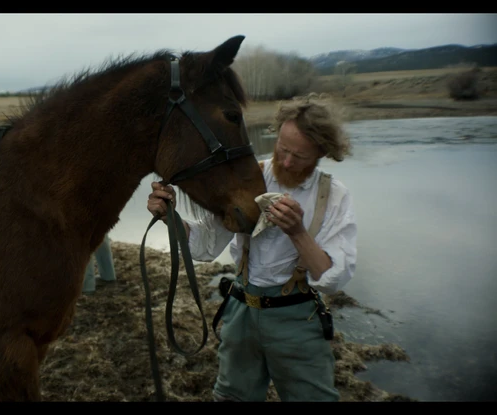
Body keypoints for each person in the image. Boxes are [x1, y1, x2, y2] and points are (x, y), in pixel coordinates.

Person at [146, 98, 357, 402]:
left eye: (298, 156)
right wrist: (170, 217)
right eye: (282, 149)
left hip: (298, 321)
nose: (285, 162)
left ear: (322, 153)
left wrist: (297, 232)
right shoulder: (248, 177)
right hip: (241, 312)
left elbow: (333, 279)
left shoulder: (333, 195)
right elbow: (205, 244)